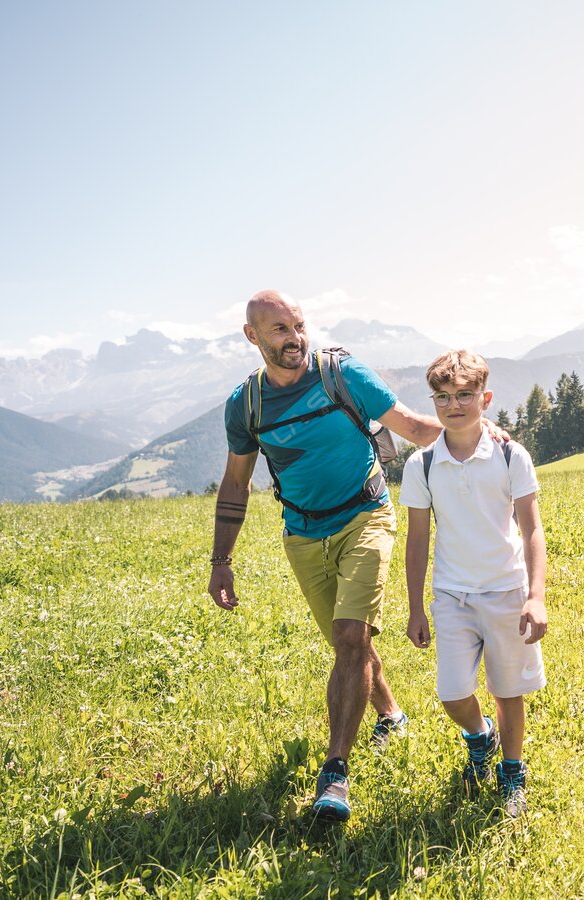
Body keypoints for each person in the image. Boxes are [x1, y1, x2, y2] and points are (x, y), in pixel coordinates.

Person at [207, 290, 453, 824]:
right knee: (350, 646)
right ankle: (390, 714)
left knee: (349, 637)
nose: (294, 339)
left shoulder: (343, 375)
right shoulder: (245, 405)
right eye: (278, 330)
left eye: (298, 326)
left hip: (366, 515)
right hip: (302, 536)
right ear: (252, 336)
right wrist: (220, 561)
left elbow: (412, 427)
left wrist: (480, 435)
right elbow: (235, 483)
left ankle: (335, 773)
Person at [401, 350, 548, 818]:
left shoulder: (509, 454)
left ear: (485, 398)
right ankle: (479, 736)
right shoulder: (421, 465)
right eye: (443, 397)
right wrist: (416, 608)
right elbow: (418, 540)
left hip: (506, 590)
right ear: (433, 402)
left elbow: (533, 529)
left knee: (509, 692)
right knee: (451, 692)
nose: (454, 405)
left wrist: (536, 596)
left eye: (465, 395)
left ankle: (512, 771)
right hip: (452, 595)